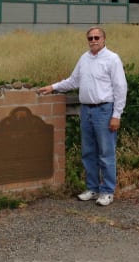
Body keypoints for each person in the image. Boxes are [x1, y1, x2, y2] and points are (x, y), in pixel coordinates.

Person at [38, 26, 127, 206]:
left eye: (96, 37)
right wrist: (53, 87)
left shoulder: (112, 59)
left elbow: (120, 88)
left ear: (104, 39)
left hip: (104, 110)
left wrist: (116, 115)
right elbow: (73, 80)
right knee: (88, 152)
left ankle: (107, 191)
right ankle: (92, 188)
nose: (93, 41)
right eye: (90, 38)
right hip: (86, 110)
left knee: (106, 153)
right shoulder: (84, 58)